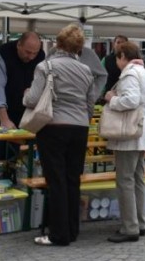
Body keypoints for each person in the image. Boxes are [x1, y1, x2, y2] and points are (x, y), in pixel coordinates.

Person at [25, 25, 98, 246]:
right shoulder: (86, 70)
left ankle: (58, 234)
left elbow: (32, 100)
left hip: (54, 126)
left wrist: (25, 95)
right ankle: (72, 230)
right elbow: (90, 102)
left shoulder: (45, 67)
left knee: (56, 180)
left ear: (57, 44)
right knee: (72, 180)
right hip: (79, 128)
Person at [104, 41, 145, 243]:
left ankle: (130, 227)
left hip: (130, 133)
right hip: (141, 131)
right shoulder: (143, 73)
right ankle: (139, 223)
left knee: (125, 180)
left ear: (123, 56)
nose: (116, 61)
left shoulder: (130, 74)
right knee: (137, 178)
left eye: (117, 57)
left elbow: (131, 100)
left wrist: (111, 99)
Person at [0, 32, 45, 161]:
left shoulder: (40, 56)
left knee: (14, 153)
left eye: (34, 53)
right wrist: (4, 119)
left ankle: (11, 178)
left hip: (18, 109)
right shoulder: (1, 55)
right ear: (19, 45)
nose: (31, 57)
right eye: (27, 52)